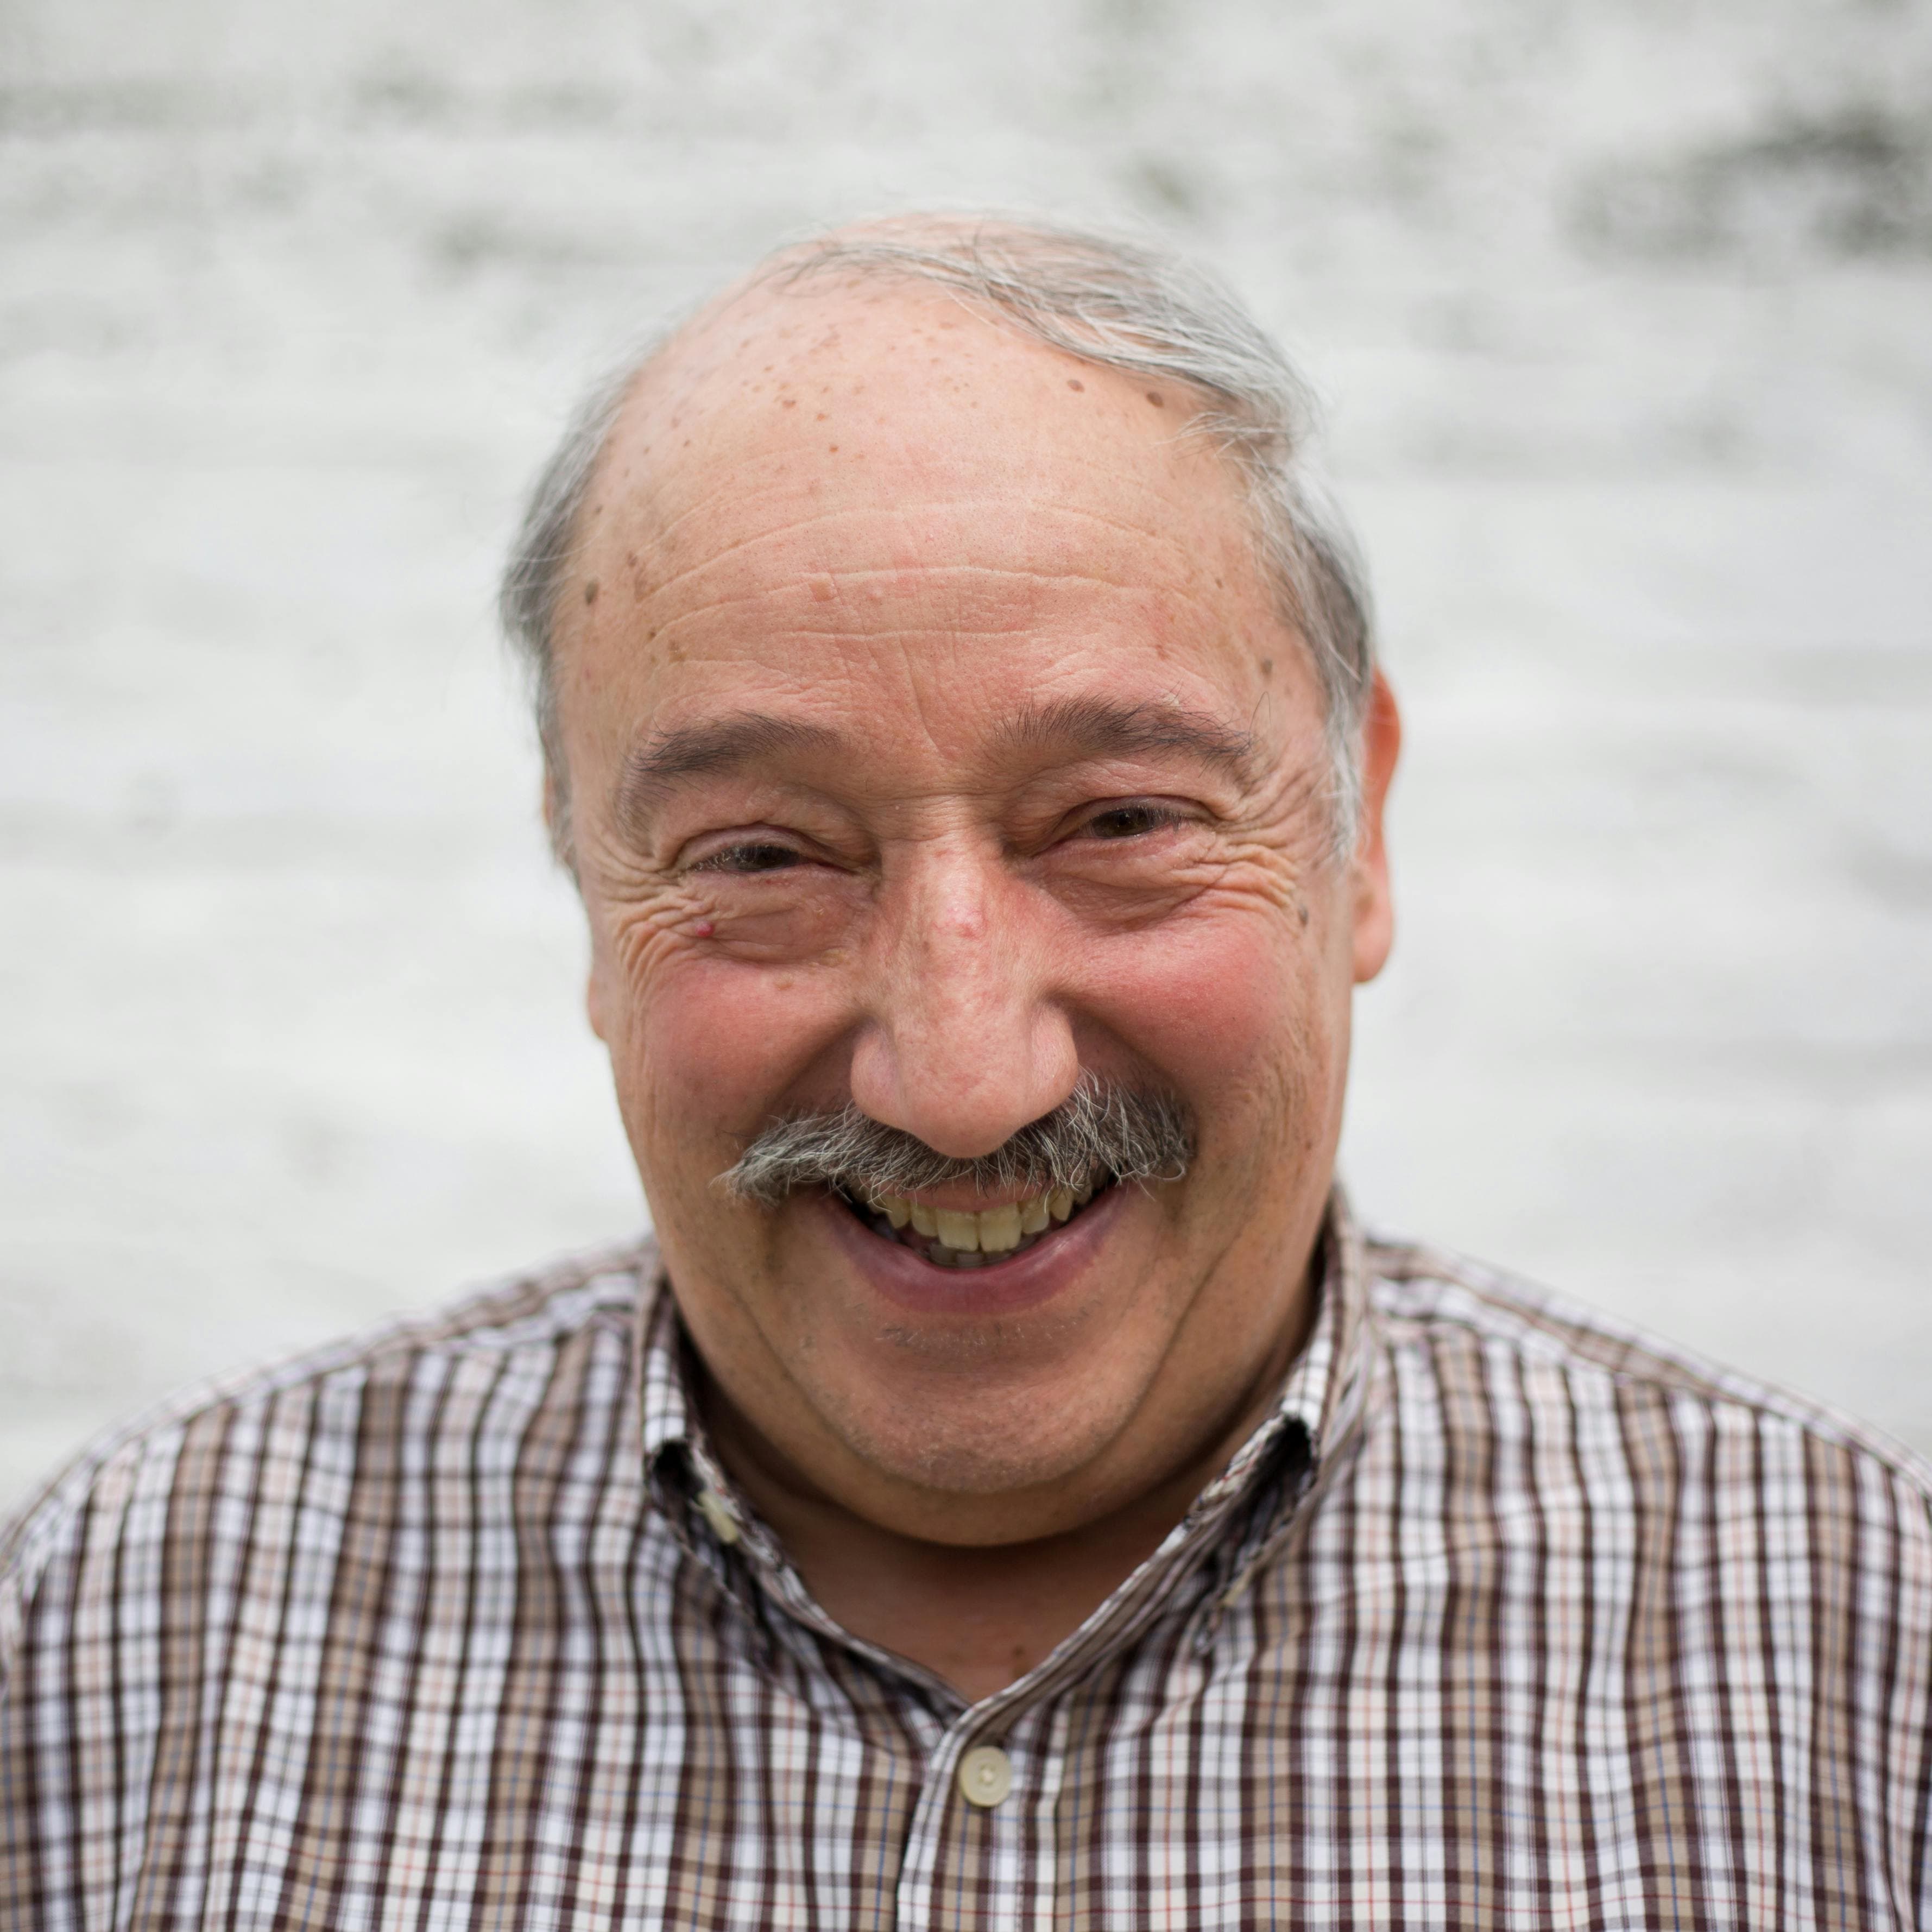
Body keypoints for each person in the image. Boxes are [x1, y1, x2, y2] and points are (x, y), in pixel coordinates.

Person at [3, 214, 1927, 1930]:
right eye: (764, 856)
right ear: (589, 898)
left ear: (1361, 841)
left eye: (1117, 820)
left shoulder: (1846, 1660)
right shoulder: (137, 1636)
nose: (959, 1079)